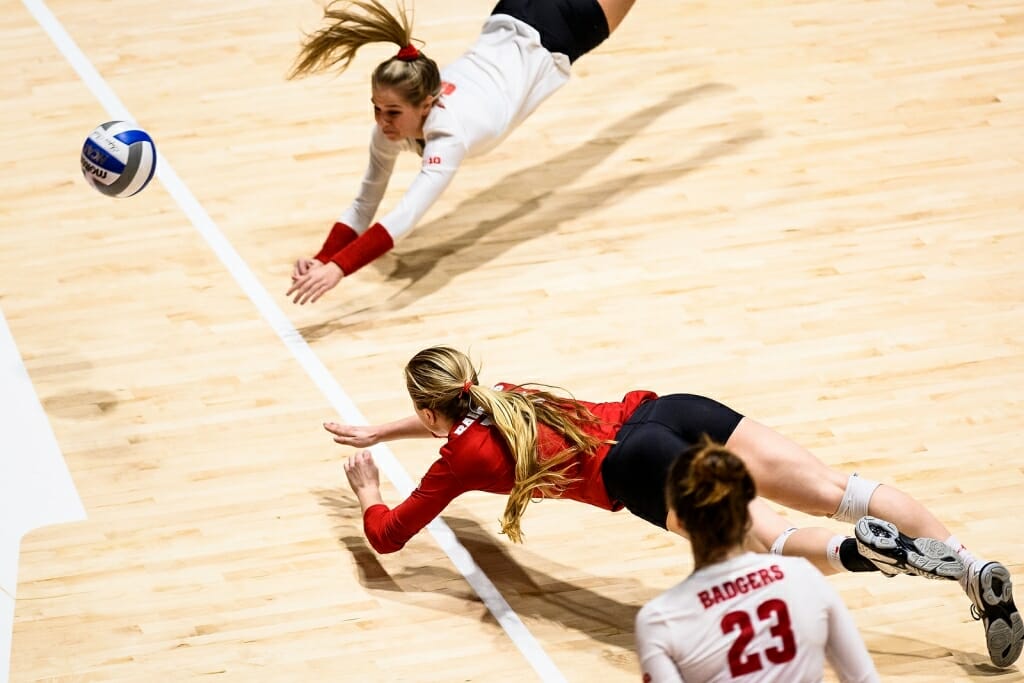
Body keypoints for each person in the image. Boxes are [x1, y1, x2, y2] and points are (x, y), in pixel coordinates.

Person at [328, 345, 1022, 669]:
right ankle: (972, 567)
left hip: (637, 468)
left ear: (429, 411)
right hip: (672, 411)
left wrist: (368, 487)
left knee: (770, 542)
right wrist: (382, 426)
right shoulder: (502, 393)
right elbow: (449, 417)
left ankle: (859, 553)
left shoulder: (461, 458)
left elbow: (389, 536)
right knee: (841, 488)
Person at [284, 0, 637, 305]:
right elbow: (364, 203)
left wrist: (339, 268)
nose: (383, 122)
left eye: (393, 113)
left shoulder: (449, 136)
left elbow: (405, 216)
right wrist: (323, 258)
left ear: (426, 104)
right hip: (513, 16)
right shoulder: (388, 131)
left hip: (558, 29)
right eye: (377, 109)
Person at [634, 438, 878, 682]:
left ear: (678, 519)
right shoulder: (804, 576)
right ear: (748, 509)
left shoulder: (660, 619)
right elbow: (863, 678)